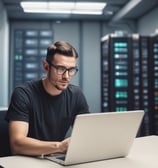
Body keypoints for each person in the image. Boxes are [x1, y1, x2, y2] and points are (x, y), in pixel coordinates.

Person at [6, 41, 89, 156]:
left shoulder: (76, 94)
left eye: (71, 70)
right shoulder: (23, 94)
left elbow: (86, 136)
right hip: (25, 160)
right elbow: (17, 144)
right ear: (46, 67)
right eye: (60, 69)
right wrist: (59, 147)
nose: (66, 76)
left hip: (52, 159)